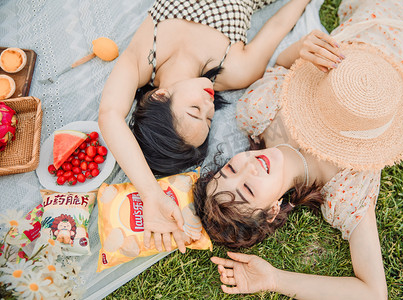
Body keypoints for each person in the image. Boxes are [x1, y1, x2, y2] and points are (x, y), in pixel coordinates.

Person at [193, 0, 403, 298]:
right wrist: (276, 279)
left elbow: (281, 66)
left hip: (374, 20)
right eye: (249, 188)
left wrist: (302, 48)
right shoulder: (343, 190)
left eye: (231, 168)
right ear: (273, 210)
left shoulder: (258, 112)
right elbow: (373, 292)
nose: (249, 166)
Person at [98, 0, 314, 253]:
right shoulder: (237, 70)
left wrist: (151, 194)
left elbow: (110, 114)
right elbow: (277, 25)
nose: (209, 105)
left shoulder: (142, 60)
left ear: (159, 96)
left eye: (194, 111)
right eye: (209, 119)